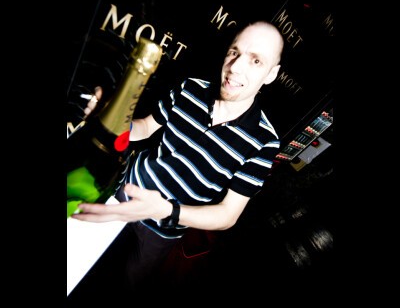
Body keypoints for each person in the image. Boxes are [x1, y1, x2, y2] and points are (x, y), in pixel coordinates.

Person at [72, 20, 284, 293]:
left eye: (256, 61)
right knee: (78, 264)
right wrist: (108, 119)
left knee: (122, 288)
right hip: (120, 192)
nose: (235, 67)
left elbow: (227, 215)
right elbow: (146, 127)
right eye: (234, 52)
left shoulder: (265, 141)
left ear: (271, 73)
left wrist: (165, 211)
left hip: (160, 231)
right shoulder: (190, 88)